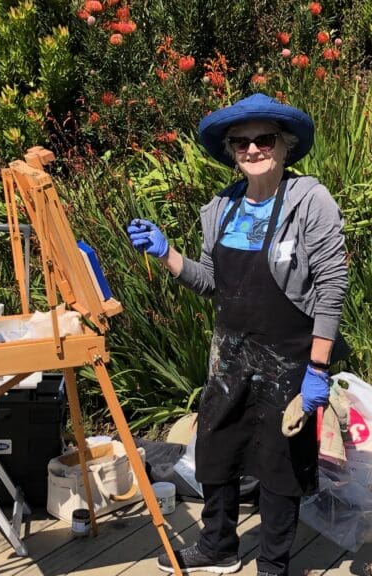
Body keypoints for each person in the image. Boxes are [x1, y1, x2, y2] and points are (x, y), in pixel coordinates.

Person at [127, 93, 347, 575]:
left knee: (280, 462)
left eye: (263, 139)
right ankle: (218, 547)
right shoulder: (220, 208)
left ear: (285, 145)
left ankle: (273, 563)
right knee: (216, 448)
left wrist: (318, 369)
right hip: (230, 354)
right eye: (241, 142)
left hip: (291, 354)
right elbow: (211, 282)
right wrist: (167, 253)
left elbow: (332, 286)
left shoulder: (310, 200)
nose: (252, 150)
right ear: (230, 151)